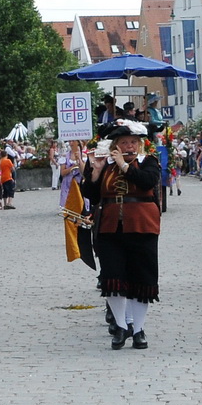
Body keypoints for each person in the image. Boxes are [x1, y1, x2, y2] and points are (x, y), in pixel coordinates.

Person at [85, 121, 162, 349]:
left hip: (142, 225)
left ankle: (138, 329)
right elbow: (91, 195)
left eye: (133, 142)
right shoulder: (106, 165)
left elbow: (147, 181)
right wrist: (95, 172)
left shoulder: (148, 162)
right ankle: (120, 326)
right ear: (115, 145)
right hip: (110, 226)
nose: (129, 146)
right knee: (112, 276)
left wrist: (124, 165)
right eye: (124, 142)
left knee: (142, 277)